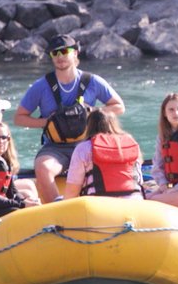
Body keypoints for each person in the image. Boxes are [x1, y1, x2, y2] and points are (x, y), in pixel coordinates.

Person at [13, 34, 125, 203]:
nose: (60, 57)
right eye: (55, 53)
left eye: (64, 51)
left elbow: (118, 107)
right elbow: (19, 118)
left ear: (75, 53)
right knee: (42, 167)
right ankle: (57, 213)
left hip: (88, 143)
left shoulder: (93, 81)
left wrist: (92, 110)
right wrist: (47, 122)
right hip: (56, 147)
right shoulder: (41, 86)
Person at [63, 107, 144, 200]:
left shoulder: (83, 148)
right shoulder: (131, 143)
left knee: (57, 201)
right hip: (135, 204)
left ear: (89, 126)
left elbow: (72, 191)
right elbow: (139, 180)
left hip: (99, 207)